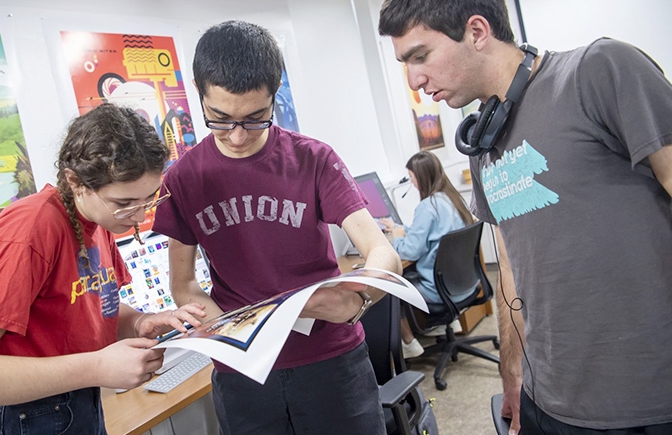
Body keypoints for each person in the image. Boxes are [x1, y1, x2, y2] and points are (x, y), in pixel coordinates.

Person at [378, 1, 672, 434]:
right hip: (545, 398)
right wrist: (511, 369)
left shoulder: (598, 71)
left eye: (420, 56)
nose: (414, 80)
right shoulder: (483, 147)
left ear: (477, 32)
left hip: (645, 401)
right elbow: (511, 269)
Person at [152, 20, 401, 435]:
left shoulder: (313, 160)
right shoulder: (182, 179)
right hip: (242, 371)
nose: (235, 136)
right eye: (219, 118)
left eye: (255, 118)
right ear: (200, 93)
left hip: (331, 362)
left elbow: (383, 252)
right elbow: (184, 285)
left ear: (275, 94)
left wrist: (358, 300)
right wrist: (236, 338)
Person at [0, 103, 206, 435]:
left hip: (76, 405)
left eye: (148, 200)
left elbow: (87, 311)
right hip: (23, 417)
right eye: (124, 203)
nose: (139, 217)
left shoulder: (99, 220)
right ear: (76, 182)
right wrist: (96, 367)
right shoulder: (29, 230)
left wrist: (138, 322)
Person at [380, 151, 473, 359]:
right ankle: (446, 323)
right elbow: (428, 233)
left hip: (439, 290)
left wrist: (395, 237)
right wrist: (398, 227)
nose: (411, 182)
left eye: (411, 177)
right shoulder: (453, 199)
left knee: (390, 284)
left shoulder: (427, 207)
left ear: (421, 177)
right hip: (462, 284)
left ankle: (409, 342)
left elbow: (410, 250)